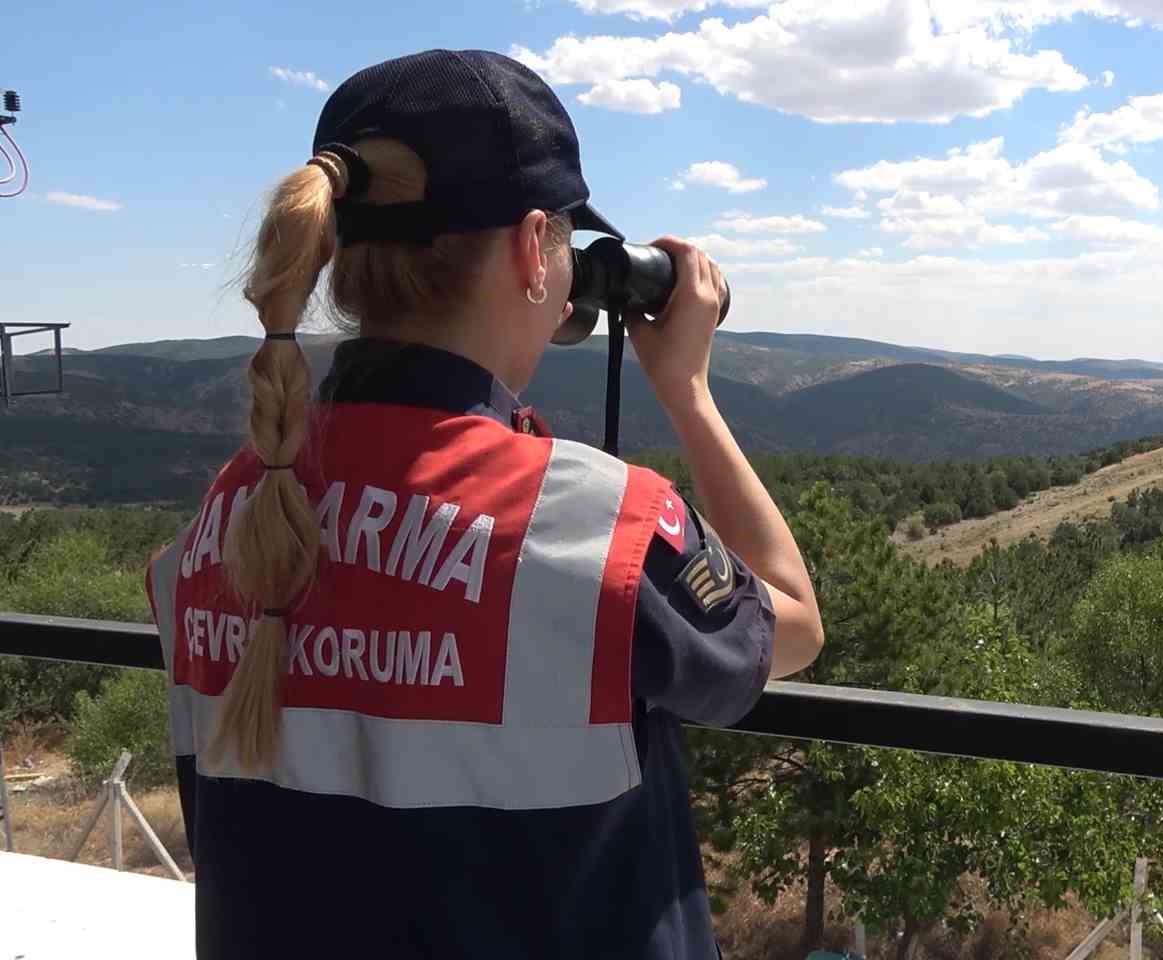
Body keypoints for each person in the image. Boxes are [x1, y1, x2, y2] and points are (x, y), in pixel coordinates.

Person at [143, 49, 824, 959]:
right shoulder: (589, 526)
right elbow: (793, 625)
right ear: (528, 250)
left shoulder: (226, 522)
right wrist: (689, 394)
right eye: (564, 240)